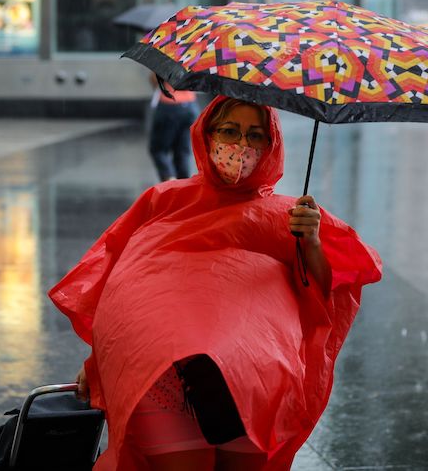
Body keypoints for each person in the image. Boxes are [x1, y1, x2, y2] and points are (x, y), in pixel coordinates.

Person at [49, 95, 382, 470]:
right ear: (206, 135)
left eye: (256, 136)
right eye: (229, 131)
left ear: (271, 145)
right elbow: (121, 289)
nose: (241, 145)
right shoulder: (165, 200)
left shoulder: (292, 217)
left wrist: (312, 242)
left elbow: (324, 291)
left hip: (253, 389)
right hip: (162, 381)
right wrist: (97, 360)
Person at [148, 75, 199, 181]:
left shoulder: (167, 58)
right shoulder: (192, 59)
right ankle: (183, 184)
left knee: (159, 149)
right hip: (190, 105)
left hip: (169, 105)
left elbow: (154, 80)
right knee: (182, 151)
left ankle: (170, 179)